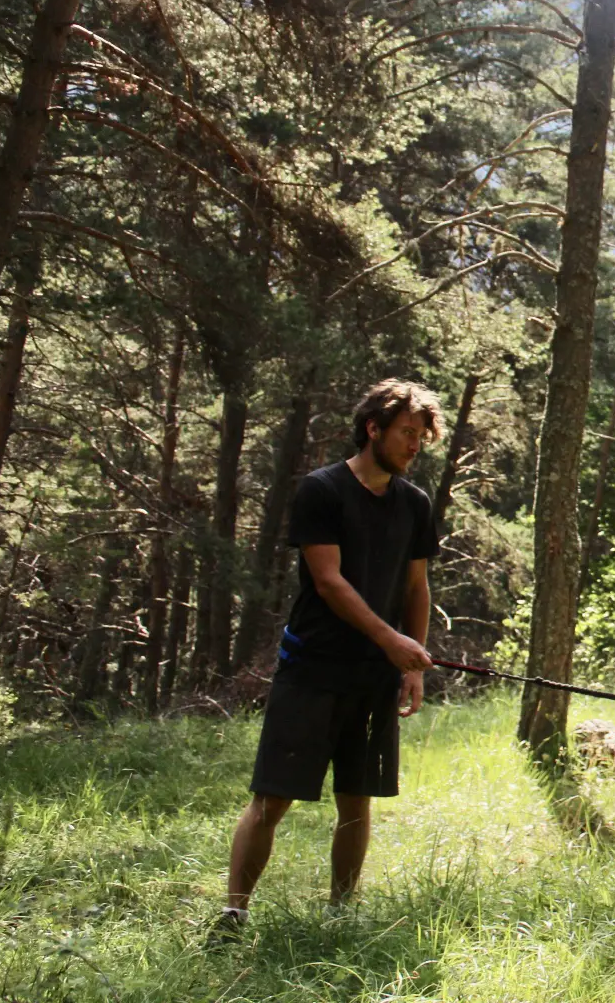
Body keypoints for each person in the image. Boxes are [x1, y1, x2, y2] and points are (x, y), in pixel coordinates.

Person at [208, 379, 443, 942]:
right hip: (312, 669)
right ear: (373, 429)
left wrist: (409, 665)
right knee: (272, 799)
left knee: (357, 801)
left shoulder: (415, 504)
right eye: (406, 433)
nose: (415, 445)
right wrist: (392, 641)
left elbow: (417, 586)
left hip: (374, 678)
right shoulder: (323, 490)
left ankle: (341, 915)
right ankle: (234, 914)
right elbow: (329, 581)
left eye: (421, 436)